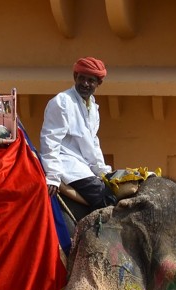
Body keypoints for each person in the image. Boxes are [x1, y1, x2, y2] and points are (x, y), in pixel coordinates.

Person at [40, 56, 118, 213]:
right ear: (75, 77)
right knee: (106, 199)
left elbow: (93, 143)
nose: (85, 84)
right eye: (81, 78)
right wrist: (53, 176)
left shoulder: (93, 107)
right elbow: (50, 140)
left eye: (91, 80)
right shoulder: (62, 102)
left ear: (98, 84)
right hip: (67, 165)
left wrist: (102, 171)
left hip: (83, 167)